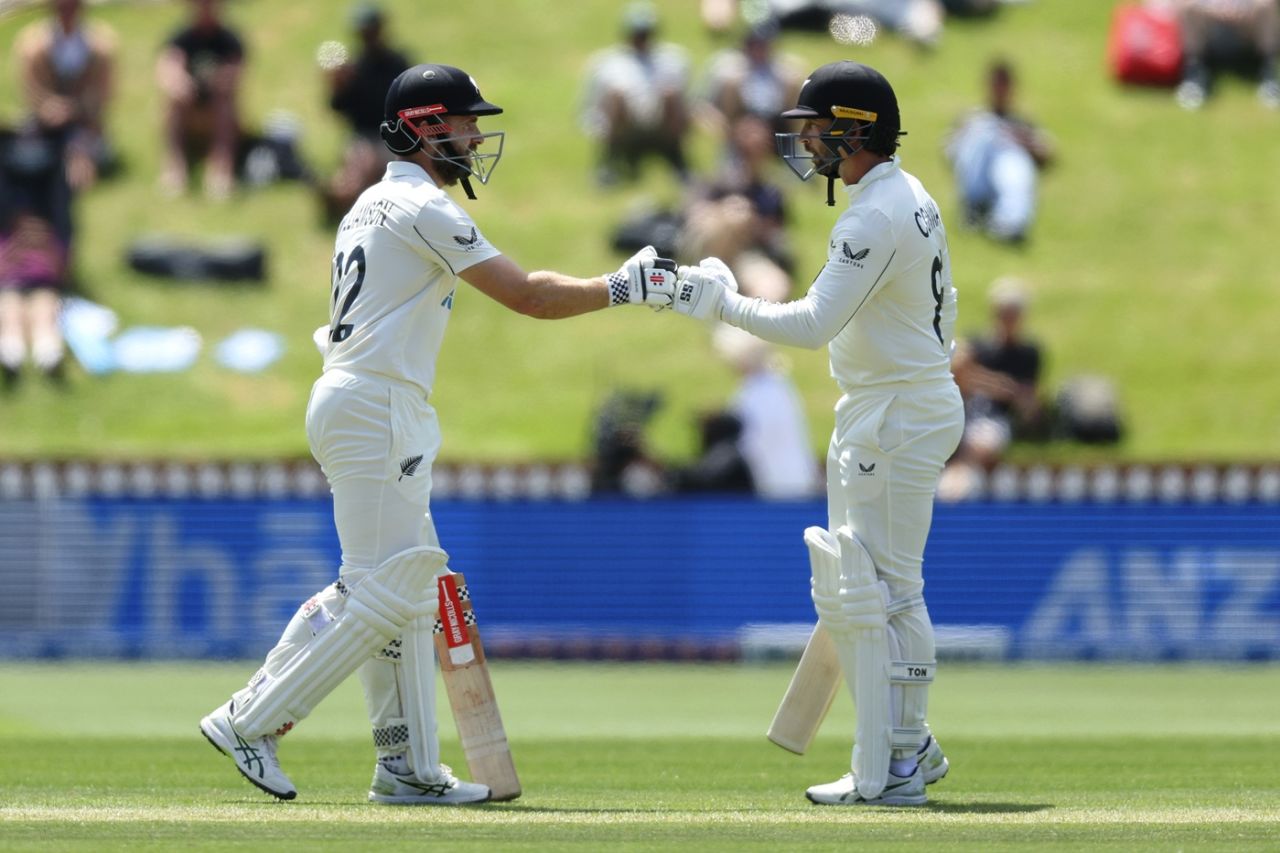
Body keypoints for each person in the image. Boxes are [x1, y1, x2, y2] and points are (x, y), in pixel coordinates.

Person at [197, 63, 678, 805]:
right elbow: (528, 296)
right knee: (378, 588)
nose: (477, 137)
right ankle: (250, 717)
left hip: (364, 400)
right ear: (423, 127)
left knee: (407, 587)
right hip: (377, 406)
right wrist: (625, 285)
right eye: (464, 123)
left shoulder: (368, 202)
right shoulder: (422, 205)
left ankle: (407, 768)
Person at [669, 61, 963, 806]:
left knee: (885, 592)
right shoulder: (908, 193)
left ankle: (897, 761)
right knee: (872, 587)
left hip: (894, 410)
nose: (807, 146)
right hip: (900, 399)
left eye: (817, 130)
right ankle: (911, 744)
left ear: (853, 129)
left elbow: (811, 322)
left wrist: (722, 302)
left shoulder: (873, 214)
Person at [680, 113, 793, 302]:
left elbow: (778, 238)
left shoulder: (772, 193)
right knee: (737, 214)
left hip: (746, 257)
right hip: (706, 258)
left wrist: (752, 224)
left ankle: (738, 328)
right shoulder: (716, 182)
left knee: (776, 286)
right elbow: (694, 219)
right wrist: (727, 213)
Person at [580, 2, 693, 186]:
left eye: (646, 33)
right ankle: (608, 162)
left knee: (670, 93)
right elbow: (590, 107)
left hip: (662, 124)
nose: (641, 38)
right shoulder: (607, 63)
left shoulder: (673, 59)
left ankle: (678, 160)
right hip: (624, 126)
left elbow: (687, 102)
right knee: (617, 94)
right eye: (637, 33)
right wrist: (598, 128)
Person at [318, 2, 411, 221]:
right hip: (362, 138)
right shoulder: (354, 67)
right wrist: (338, 86)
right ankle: (342, 195)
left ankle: (344, 197)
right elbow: (338, 108)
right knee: (361, 159)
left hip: (392, 138)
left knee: (366, 161)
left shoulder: (397, 64)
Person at [944, 59, 1054, 244]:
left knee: (1015, 158)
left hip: (1004, 180)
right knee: (984, 133)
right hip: (977, 178)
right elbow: (948, 149)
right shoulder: (973, 117)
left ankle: (1010, 222)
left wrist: (1020, 140)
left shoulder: (1020, 122)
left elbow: (1048, 151)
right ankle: (974, 209)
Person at [14, 0, 117, 191]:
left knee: (78, 164)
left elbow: (104, 92)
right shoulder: (33, 46)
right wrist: (50, 108)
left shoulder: (100, 46)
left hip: (85, 123)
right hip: (44, 124)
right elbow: (32, 90)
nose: (66, 11)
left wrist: (75, 109)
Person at [0, 124, 75, 386]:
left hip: (40, 267)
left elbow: (64, 237)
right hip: (11, 270)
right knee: (10, 304)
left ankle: (45, 347)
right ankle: (13, 346)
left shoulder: (53, 218)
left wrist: (58, 262)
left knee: (43, 304)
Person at [712, 323, 820, 499]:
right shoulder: (780, 385)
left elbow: (748, 444)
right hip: (796, 478)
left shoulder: (753, 394)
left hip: (774, 484)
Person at [155, 0, 246, 199]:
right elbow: (167, 67)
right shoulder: (181, 38)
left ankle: (220, 171)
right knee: (173, 102)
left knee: (225, 104)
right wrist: (179, 84)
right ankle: (174, 168)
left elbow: (235, 74)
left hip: (217, 110)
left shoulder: (229, 40)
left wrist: (218, 82)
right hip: (188, 109)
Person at [1173, 0, 1280, 110]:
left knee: (1267, 4)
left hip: (1246, 25)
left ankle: (1269, 76)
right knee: (1188, 6)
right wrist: (1216, 7)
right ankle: (1194, 76)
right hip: (1210, 23)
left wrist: (1241, 8)